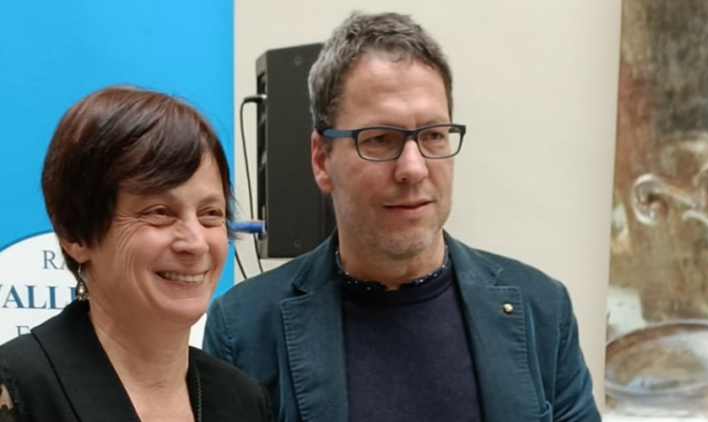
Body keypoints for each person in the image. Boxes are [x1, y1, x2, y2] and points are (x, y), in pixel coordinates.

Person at [203, 11, 600, 422]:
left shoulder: (542, 310)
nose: (413, 168)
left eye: (433, 135)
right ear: (321, 159)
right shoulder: (244, 328)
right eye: (379, 139)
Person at [0, 86, 273, 422]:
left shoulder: (244, 400)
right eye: (160, 212)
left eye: (211, 214)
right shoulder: (17, 391)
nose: (196, 243)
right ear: (75, 235)